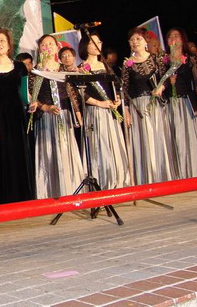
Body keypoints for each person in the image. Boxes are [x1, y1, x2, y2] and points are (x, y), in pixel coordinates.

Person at [0, 28, 35, 204]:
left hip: (17, 117)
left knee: (19, 155)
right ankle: (4, 200)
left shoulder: (20, 67)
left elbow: (25, 93)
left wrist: (32, 102)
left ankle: (22, 199)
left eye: (2, 40)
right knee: (1, 156)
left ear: (9, 44)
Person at [29, 34, 83, 198]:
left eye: (51, 44)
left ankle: (70, 188)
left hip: (64, 116)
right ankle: (50, 191)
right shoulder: (35, 71)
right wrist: (45, 107)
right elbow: (31, 96)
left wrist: (78, 113)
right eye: (44, 45)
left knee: (66, 151)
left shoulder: (63, 68)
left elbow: (72, 93)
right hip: (46, 118)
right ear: (39, 49)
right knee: (49, 153)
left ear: (56, 47)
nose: (47, 47)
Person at [122, 27, 178, 184]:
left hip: (156, 104)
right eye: (132, 40)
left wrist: (161, 87)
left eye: (138, 39)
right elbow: (125, 89)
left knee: (158, 137)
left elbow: (166, 78)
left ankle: (163, 176)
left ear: (146, 41)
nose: (135, 42)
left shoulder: (156, 59)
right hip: (138, 106)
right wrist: (126, 110)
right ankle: (146, 178)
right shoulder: (127, 64)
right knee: (144, 141)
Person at [78, 33, 130, 189]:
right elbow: (81, 94)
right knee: (99, 146)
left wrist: (117, 100)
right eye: (93, 42)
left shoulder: (105, 66)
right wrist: (99, 103)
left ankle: (118, 179)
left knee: (113, 144)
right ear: (85, 46)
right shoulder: (81, 68)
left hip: (109, 111)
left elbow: (115, 87)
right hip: (95, 111)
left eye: (99, 41)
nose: (97, 44)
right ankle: (101, 181)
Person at [158, 28, 197, 178]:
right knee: (173, 137)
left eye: (176, 36)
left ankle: (194, 172)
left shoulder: (190, 59)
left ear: (182, 39)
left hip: (186, 102)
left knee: (189, 136)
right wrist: (168, 81)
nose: (173, 39)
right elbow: (159, 82)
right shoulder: (163, 61)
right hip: (169, 103)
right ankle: (178, 173)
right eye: (170, 37)